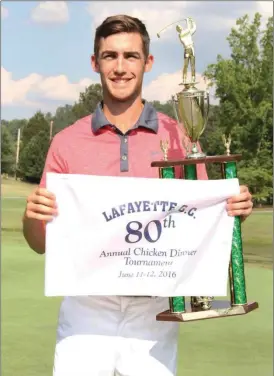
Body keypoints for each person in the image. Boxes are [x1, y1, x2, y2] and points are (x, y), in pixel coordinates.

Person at [22, 14, 253, 376]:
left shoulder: (180, 135)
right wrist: (33, 218)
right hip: (87, 307)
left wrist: (234, 207)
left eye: (130, 56)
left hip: (155, 309)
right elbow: (40, 243)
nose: (120, 67)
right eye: (110, 56)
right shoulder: (66, 141)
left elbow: (209, 222)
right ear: (95, 62)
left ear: (148, 63)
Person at [176, 17, 196, 83]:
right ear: (178, 30)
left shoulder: (186, 32)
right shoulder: (181, 35)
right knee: (186, 65)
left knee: (192, 64)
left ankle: (193, 77)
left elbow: (193, 28)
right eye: (179, 28)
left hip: (191, 49)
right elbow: (190, 28)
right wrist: (188, 21)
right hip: (187, 49)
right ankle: (184, 78)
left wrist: (191, 21)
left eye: (180, 27)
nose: (180, 28)